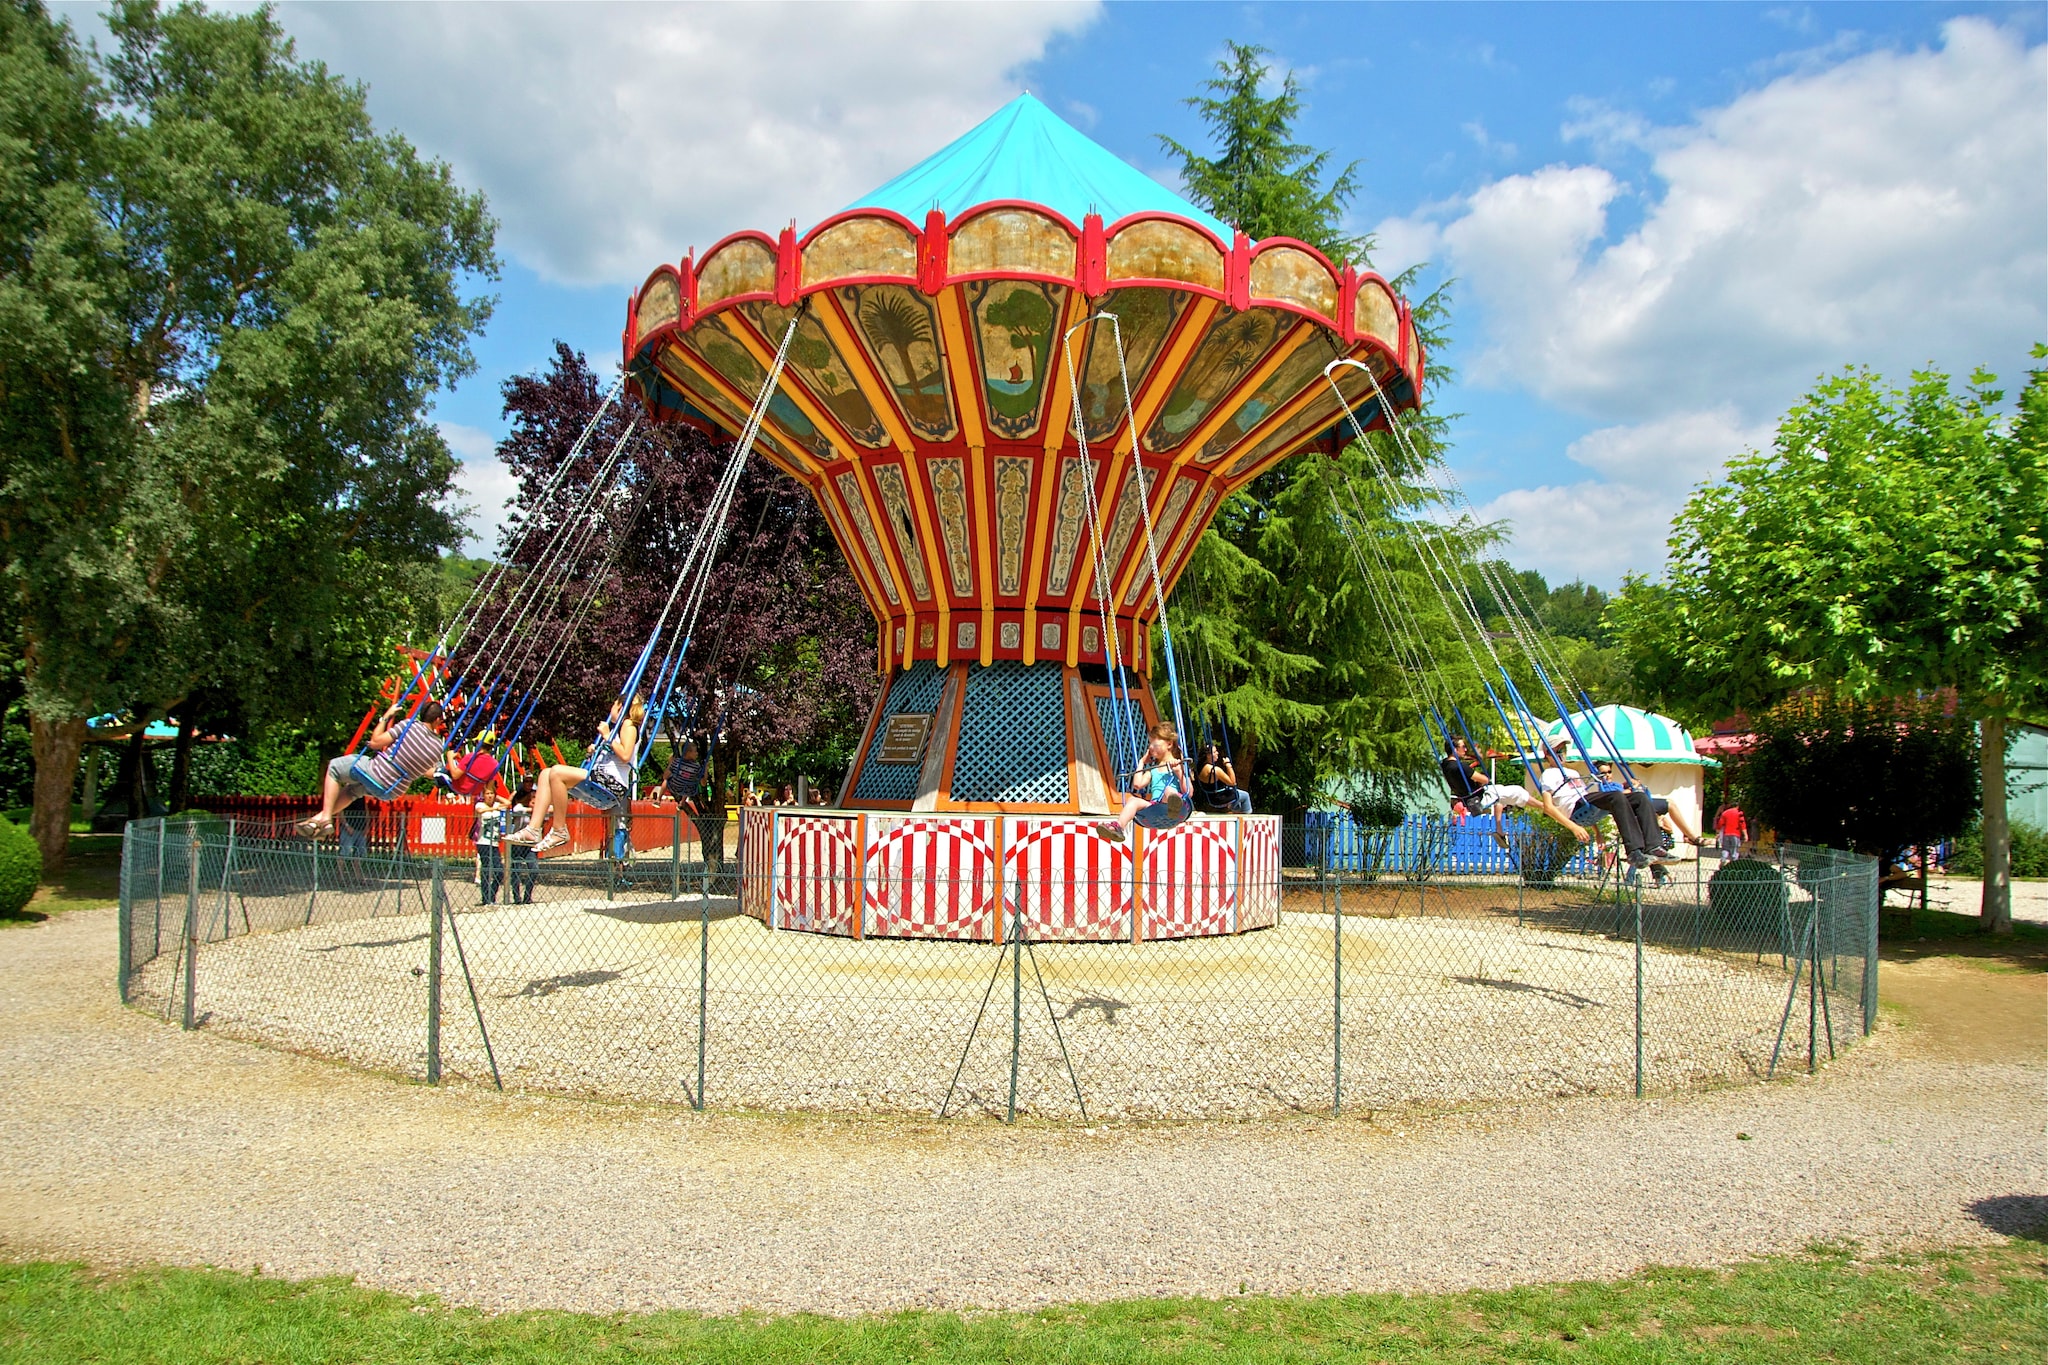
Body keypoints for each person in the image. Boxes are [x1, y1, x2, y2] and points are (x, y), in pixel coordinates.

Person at [298, 699, 461, 836]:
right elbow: (421, 770)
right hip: (393, 790)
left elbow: (375, 743)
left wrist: (385, 717)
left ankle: (326, 817)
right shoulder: (438, 747)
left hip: (376, 773)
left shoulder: (409, 725)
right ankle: (317, 821)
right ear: (438, 720)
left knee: (334, 767)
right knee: (352, 791)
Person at [507, 695, 644, 854]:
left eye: (613, 704)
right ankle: (533, 828)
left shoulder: (628, 725)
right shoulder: (618, 727)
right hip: (601, 777)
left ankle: (559, 830)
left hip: (612, 783)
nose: (610, 708)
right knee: (545, 774)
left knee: (557, 772)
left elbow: (626, 755)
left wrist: (607, 737)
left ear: (620, 707)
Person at [1537, 739, 1672, 876]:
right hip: (1574, 807)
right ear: (1547, 754)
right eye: (1558, 751)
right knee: (1616, 796)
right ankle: (1633, 851)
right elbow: (1548, 807)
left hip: (1585, 803)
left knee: (1639, 797)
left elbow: (1588, 802)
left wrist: (1597, 832)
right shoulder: (1548, 775)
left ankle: (1653, 846)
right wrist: (1574, 827)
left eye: (1564, 750)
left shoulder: (1573, 773)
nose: (1562, 754)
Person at [1442, 736, 1590, 848]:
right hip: (1481, 797)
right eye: (1462, 746)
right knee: (1518, 792)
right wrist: (1480, 764)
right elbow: (1484, 779)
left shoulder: (1446, 765)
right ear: (1455, 749)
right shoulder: (1461, 767)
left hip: (1470, 799)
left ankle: (1499, 830)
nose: (1465, 749)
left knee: (1502, 797)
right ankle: (1548, 808)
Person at [1094, 722, 1192, 843]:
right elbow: (1137, 784)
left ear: (1169, 744)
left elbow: (1189, 792)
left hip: (1179, 807)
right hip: (1156, 806)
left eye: (1154, 743)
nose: (1150, 747)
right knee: (1133, 800)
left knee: (1169, 791)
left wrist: (1179, 773)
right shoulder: (1153, 770)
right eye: (1150, 743)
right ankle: (1118, 826)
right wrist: (1141, 762)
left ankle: (1174, 807)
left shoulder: (1179, 764)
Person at [473, 783, 511, 905]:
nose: (489, 796)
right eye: (487, 793)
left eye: (491, 793)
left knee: (499, 870)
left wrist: (497, 797)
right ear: (483, 795)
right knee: (486, 868)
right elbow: (480, 810)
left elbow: (508, 804)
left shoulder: (497, 804)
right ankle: (486, 898)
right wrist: (494, 809)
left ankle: (491, 894)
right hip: (483, 841)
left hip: (494, 842)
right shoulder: (480, 804)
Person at [1194, 743, 1253, 815]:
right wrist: (1228, 765)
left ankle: (1236, 811)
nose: (1217, 753)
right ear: (1208, 755)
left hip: (1211, 798)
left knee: (1239, 802)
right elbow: (1233, 782)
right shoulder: (1214, 770)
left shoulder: (1199, 768)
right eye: (1215, 752)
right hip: (1221, 798)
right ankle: (1247, 818)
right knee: (1245, 795)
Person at [506, 779, 538, 903]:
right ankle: (516, 897)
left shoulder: (539, 813)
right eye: (533, 801)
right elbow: (516, 809)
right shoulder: (521, 807)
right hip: (518, 842)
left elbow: (550, 810)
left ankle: (528, 895)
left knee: (534, 869)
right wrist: (531, 810)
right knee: (516, 869)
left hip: (531, 844)